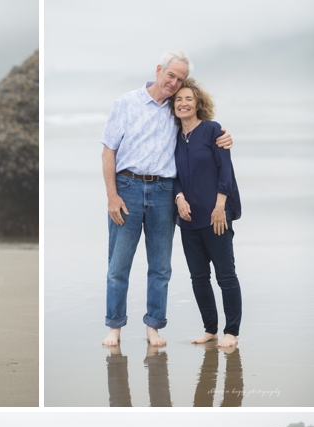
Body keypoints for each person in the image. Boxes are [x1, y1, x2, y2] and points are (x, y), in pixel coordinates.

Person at [100, 51, 233, 348]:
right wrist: (112, 195)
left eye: (180, 79)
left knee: (160, 267)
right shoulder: (127, 103)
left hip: (163, 192)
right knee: (118, 265)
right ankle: (114, 327)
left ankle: (154, 328)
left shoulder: (175, 110)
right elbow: (108, 151)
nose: (174, 83)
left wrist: (224, 136)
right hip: (127, 188)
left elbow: (199, 130)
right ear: (159, 70)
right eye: (171, 75)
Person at [171, 78, 241, 350]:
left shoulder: (213, 130)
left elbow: (226, 170)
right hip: (188, 219)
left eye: (188, 99)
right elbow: (172, 174)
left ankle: (231, 332)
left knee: (225, 275)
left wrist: (220, 205)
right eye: (178, 99)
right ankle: (210, 329)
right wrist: (178, 198)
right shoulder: (175, 137)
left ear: (198, 103)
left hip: (216, 215)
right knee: (198, 277)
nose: (183, 103)